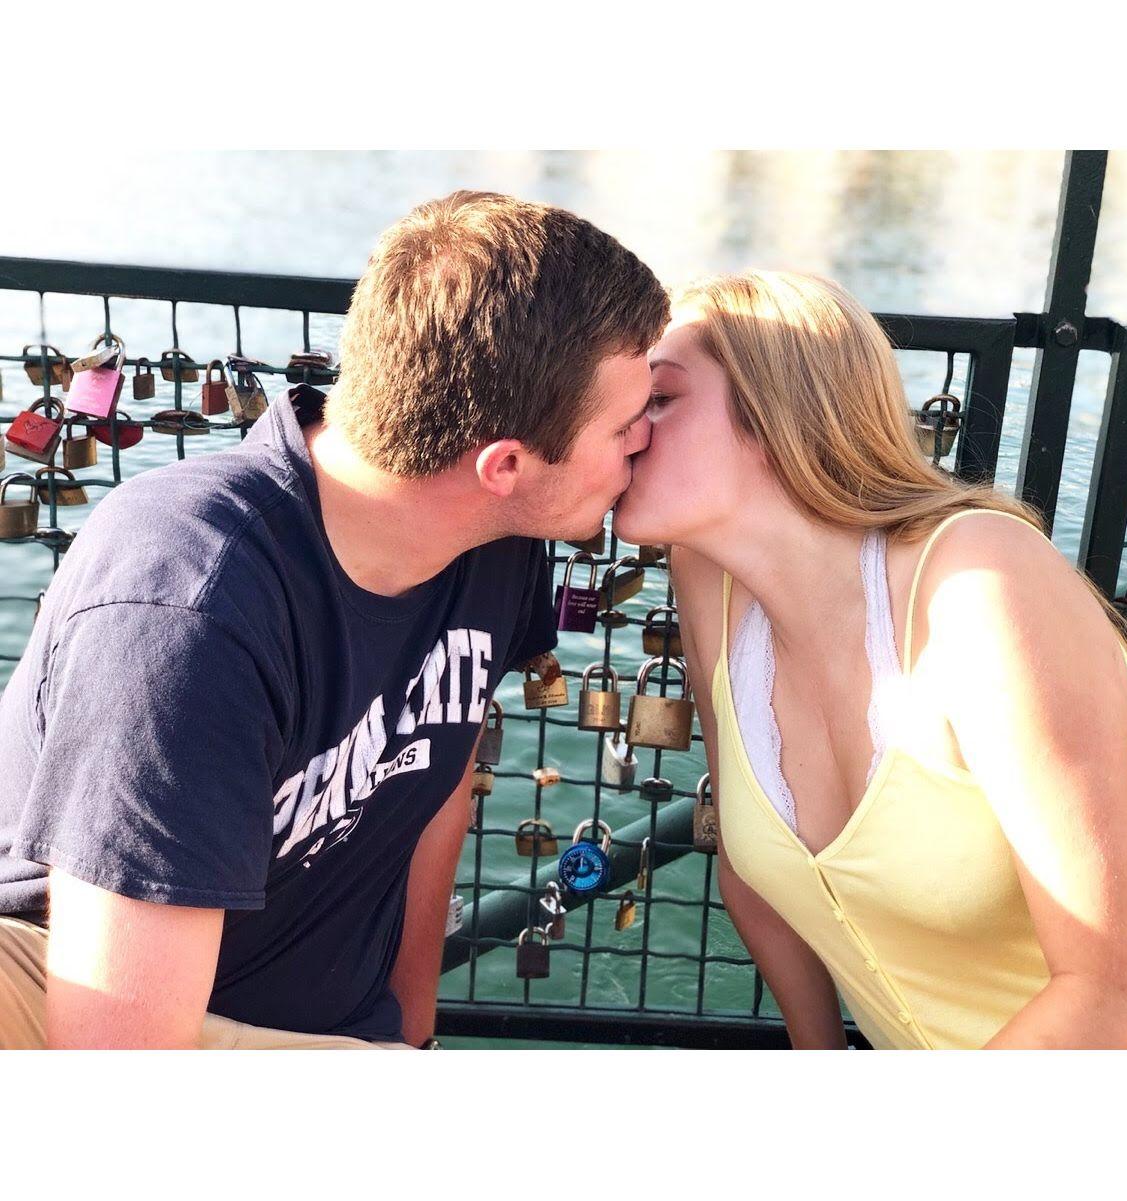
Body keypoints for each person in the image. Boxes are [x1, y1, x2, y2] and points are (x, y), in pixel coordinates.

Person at [0, 191, 668, 1049]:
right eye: (625, 424)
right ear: (503, 464)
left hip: (320, 1032)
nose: (644, 440)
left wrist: (409, 1033)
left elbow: (430, 793)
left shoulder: (496, 542)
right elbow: (115, 1054)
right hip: (97, 1012)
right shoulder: (188, 605)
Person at [614, 268, 1127, 1049]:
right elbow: (750, 876)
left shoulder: (977, 583)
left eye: (659, 399)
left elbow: (1115, 997)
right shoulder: (710, 577)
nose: (626, 428)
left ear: (777, 414)